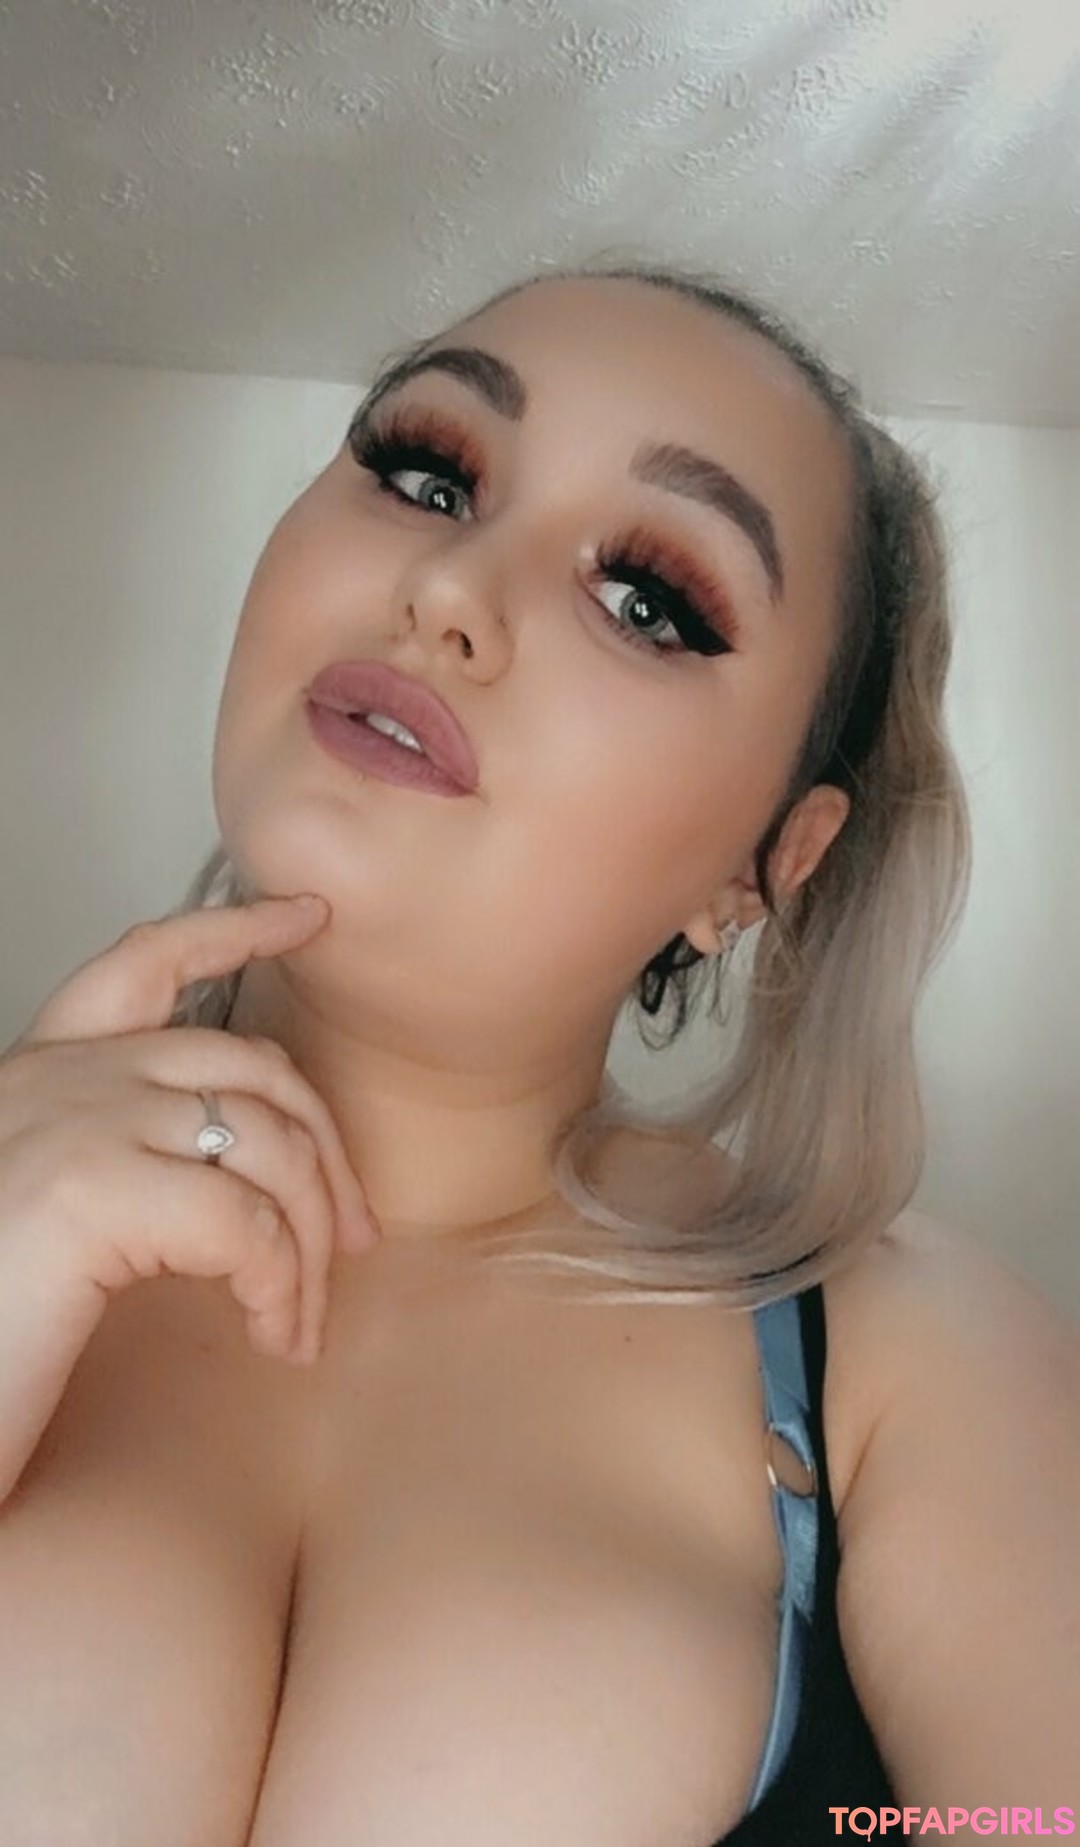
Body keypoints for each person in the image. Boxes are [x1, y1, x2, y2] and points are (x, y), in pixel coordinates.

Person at [0, 259, 1076, 1846]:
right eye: (428, 474)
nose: (449, 587)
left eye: (649, 601)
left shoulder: (916, 1362)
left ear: (769, 865)